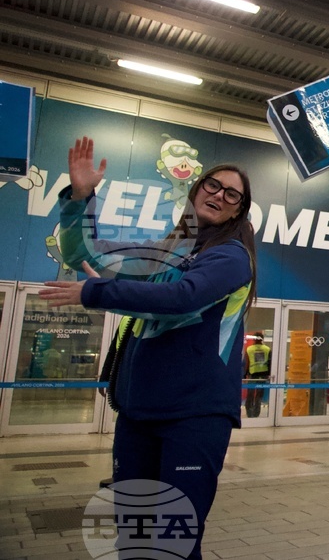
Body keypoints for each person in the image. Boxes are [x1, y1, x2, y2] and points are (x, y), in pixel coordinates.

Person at [40, 136, 256, 560]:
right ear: (196, 191)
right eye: (213, 185)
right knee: (134, 541)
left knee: (171, 545)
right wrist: (81, 198)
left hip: (194, 417)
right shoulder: (166, 249)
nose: (219, 195)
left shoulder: (231, 256)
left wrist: (94, 293)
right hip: (139, 413)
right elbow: (83, 252)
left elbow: (182, 300)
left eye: (232, 194)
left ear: (237, 210)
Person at [244, 332, 271, 418]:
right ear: (262, 339)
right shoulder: (267, 349)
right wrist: (269, 374)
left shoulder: (249, 349)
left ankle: (249, 413)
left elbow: (246, 363)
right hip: (263, 374)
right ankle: (256, 414)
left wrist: (245, 374)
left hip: (253, 374)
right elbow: (270, 363)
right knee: (259, 395)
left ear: (254, 339)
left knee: (250, 394)